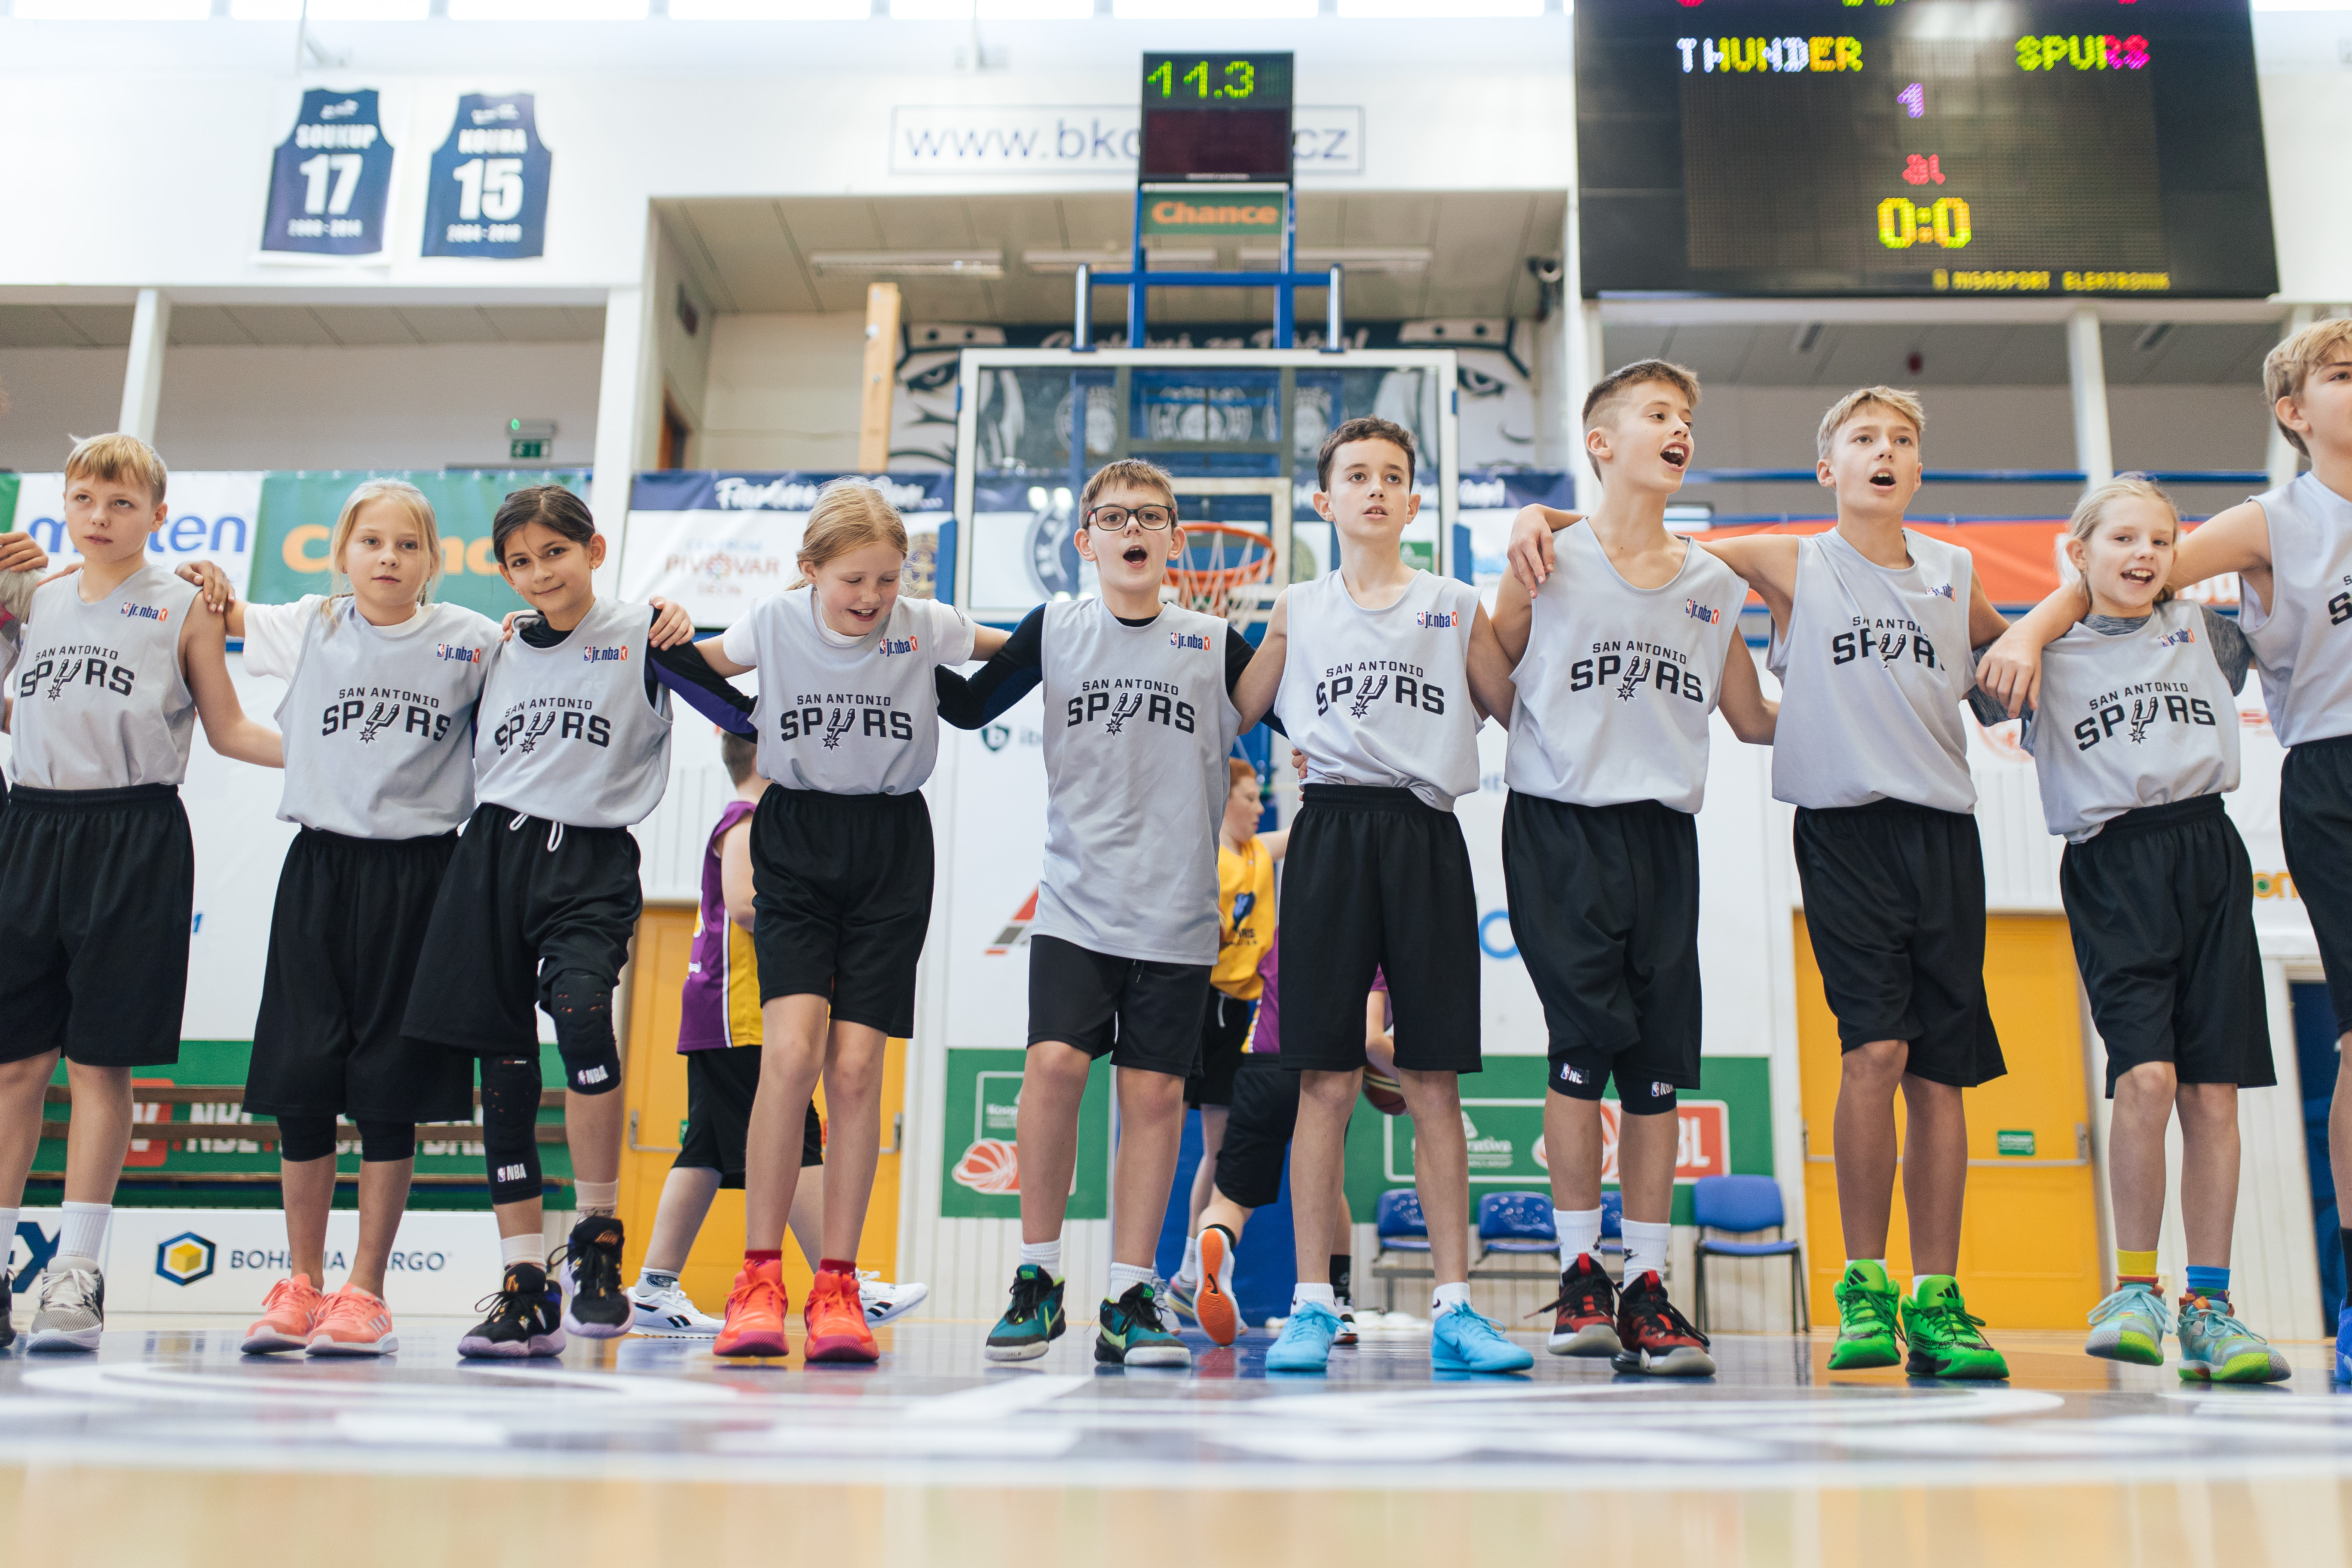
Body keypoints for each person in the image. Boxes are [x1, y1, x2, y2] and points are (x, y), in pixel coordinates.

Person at [1512, 383, 2015, 1380]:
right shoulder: (1788, 559)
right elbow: (1647, 532)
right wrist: (1544, 514)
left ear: (1920, 467)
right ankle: (1851, 1285)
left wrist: (2045, 634)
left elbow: (2004, 662)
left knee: (1938, 1073)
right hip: (1828, 832)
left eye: (1902, 439)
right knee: (1869, 1051)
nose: (1885, 451)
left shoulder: (1953, 573)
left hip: (1940, 835)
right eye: (1863, 437)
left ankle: (1935, 1298)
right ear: (1825, 468)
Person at [401, 484, 750, 1360]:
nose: (538, 573)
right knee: (504, 1064)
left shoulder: (644, 635)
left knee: (586, 1019)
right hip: (492, 855)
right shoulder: (497, 648)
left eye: (554, 553)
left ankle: (598, 1241)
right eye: (520, 561)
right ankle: (525, 1280)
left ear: (593, 551)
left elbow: (742, 716)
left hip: (590, 858)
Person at [939, 456, 1256, 1369]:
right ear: (1085, 541)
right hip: (1076, 902)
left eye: (1150, 516)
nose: (1132, 530)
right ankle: (1038, 1278)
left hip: (1178, 911)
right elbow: (969, 708)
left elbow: (1295, 714)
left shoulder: (1213, 640)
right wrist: (892, 641)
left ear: (1176, 540)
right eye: (1114, 517)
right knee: (1053, 1066)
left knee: (1153, 1096)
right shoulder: (1056, 628)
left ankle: (1130, 1294)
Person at [1491, 360, 1776, 1376]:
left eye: (1686, 416)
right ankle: (1581, 1275)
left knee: (1656, 1069)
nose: (1679, 426)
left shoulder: (1712, 584)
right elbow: (1487, 666)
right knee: (1580, 1050)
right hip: (1558, 827)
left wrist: (1871, 697)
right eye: (1657, 413)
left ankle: (1648, 1285)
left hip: (1662, 837)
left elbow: (1752, 719)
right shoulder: (1543, 557)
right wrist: (1533, 517)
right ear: (1601, 442)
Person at [1231, 416, 1531, 1375]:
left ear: (1412, 500)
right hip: (1328, 829)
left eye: (1391, 476)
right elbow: (1233, 710)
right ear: (1325, 501)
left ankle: (1455, 1306)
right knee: (1323, 1079)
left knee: (1432, 1078)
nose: (1374, 488)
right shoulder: (1297, 606)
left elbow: (1518, 710)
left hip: (1424, 832)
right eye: (1356, 475)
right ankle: (1311, 1304)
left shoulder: (1453, 603)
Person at [1972, 477, 2287, 1381]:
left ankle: (2209, 1307)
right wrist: (2037, 621)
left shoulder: (2208, 634)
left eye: (2160, 539)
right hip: (2112, 860)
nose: (2143, 554)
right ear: (2079, 553)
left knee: (2213, 1093)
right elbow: (1984, 693)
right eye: (2121, 539)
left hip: (2209, 849)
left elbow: (2275, 584)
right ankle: (2134, 1288)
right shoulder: (2039, 652)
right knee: (2147, 1077)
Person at [691, 480, 998, 1362]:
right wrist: (652, 629)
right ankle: (758, 1279)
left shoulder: (922, 624)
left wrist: (1084, 631)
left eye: (886, 579)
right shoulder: (773, 622)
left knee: (858, 1069)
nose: (870, 597)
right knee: (790, 1055)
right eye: (852, 580)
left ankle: (838, 1284)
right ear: (810, 571)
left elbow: (1017, 648)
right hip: (796, 836)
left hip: (891, 845)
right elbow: (689, 662)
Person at [201, 481, 502, 1357]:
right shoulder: (309, 625)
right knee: (303, 1081)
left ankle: (365, 1291)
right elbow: (207, 613)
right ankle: (300, 1283)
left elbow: (557, 653)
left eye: (407, 545)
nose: (388, 558)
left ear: (433, 559)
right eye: (371, 541)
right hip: (321, 869)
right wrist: (203, 580)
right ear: (343, 552)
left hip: (422, 875)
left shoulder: (474, 641)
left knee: (388, 1090)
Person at [0, 434, 277, 1354]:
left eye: (121, 503)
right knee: (13, 1066)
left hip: (134, 833)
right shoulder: (33, 597)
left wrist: (342, 758)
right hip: (31, 826)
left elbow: (229, 728)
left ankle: (76, 1272)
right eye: (84, 499)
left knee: (98, 1065)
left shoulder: (185, 602)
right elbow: (21, 709)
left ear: (158, 516)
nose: (100, 516)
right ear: (63, 506)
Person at [625, 731, 927, 1337]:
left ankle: (655, 1286)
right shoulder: (748, 821)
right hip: (738, 1012)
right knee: (799, 1139)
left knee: (706, 1151)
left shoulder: (750, 819)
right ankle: (840, 1280)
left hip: (721, 1014)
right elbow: (744, 904)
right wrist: (822, 921)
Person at [1170, 933, 1392, 1349]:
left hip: (1261, 1071)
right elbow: (1371, 1039)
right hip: (1324, 1073)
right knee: (1328, 1187)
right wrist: (1413, 1085)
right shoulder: (1368, 952)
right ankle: (1339, 1303)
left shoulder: (1281, 939)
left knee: (1231, 1199)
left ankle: (1217, 1238)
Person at [1174, 758, 1287, 1274]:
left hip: (1240, 1012)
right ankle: (1155, 1272)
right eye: (1250, 797)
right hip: (1198, 1005)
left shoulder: (1258, 852)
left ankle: (1193, 1269)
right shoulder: (1204, 857)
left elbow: (1307, 830)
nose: (1259, 807)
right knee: (1165, 1138)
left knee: (1219, 1152)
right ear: (1224, 800)